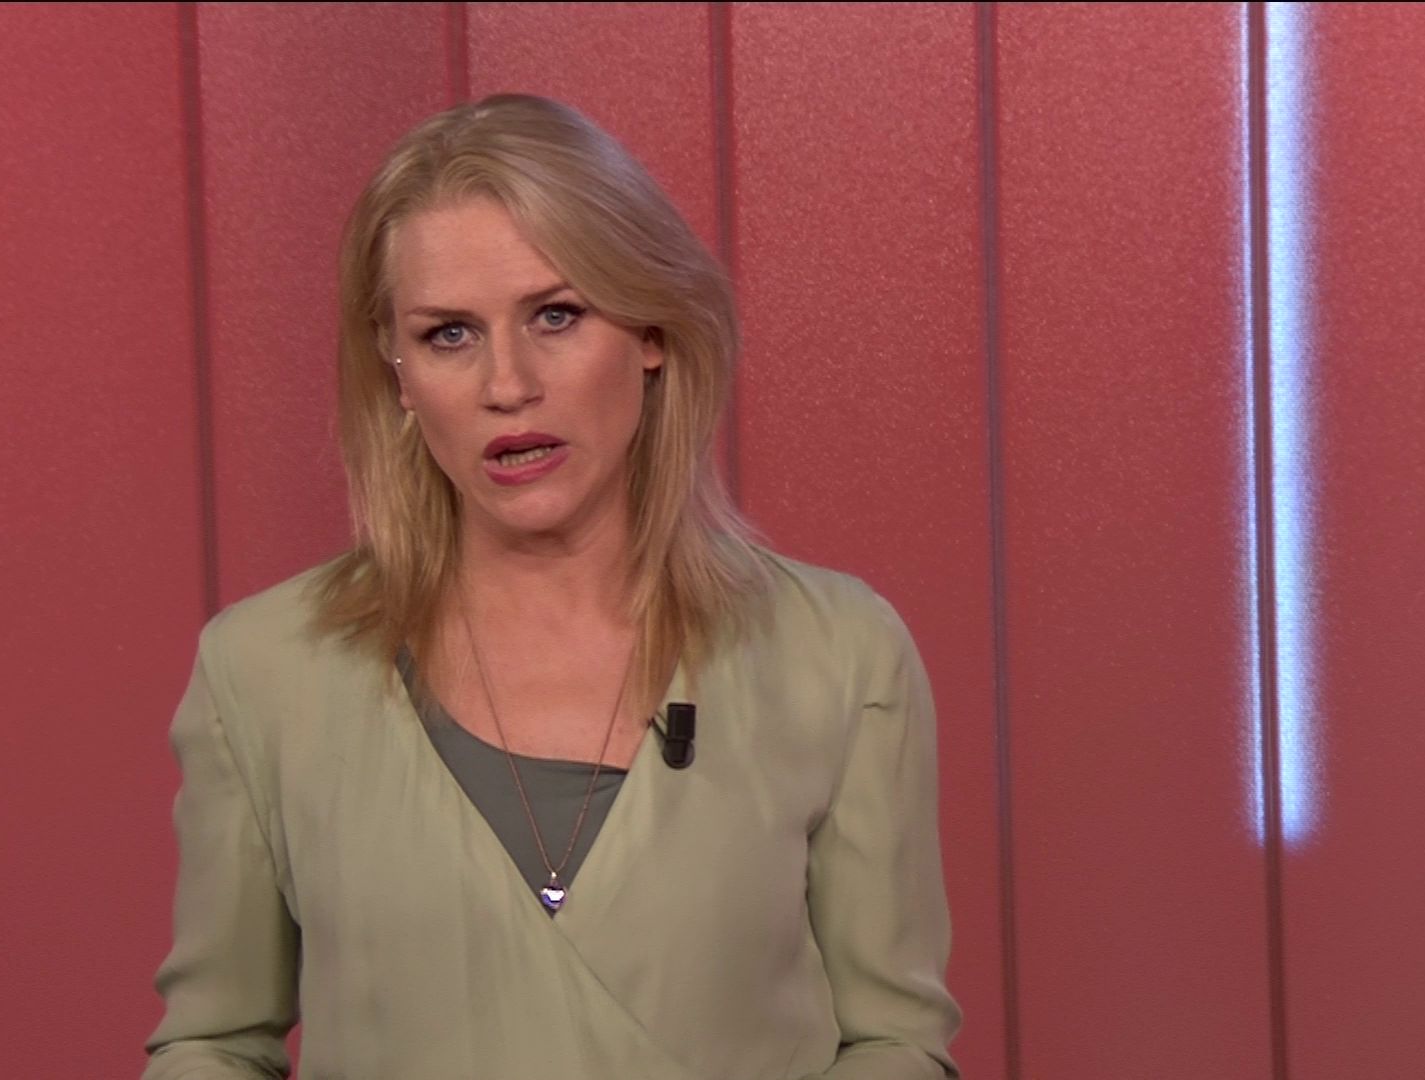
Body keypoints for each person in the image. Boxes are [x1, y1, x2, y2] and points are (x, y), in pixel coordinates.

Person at [141, 92, 961, 1080]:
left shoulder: (838, 655)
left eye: (556, 315)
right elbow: (214, 1043)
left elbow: (894, 1042)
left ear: (652, 331)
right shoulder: (265, 672)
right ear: (398, 374)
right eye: (449, 334)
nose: (508, 384)